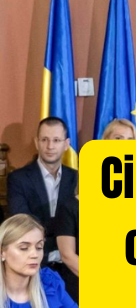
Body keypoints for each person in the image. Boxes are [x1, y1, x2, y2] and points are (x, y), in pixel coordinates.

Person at [7, 118, 78, 281]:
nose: (50, 146)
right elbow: (22, 222)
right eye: (44, 139)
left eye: (56, 140)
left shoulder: (77, 179)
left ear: (66, 144)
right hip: (35, 266)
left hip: (73, 267)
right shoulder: (18, 179)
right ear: (36, 142)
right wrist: (65, 229)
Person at [0, 214, 79, 308]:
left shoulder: (50, 283)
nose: (34, 255)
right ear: (2, 253)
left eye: (39, 247)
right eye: (24, 248)